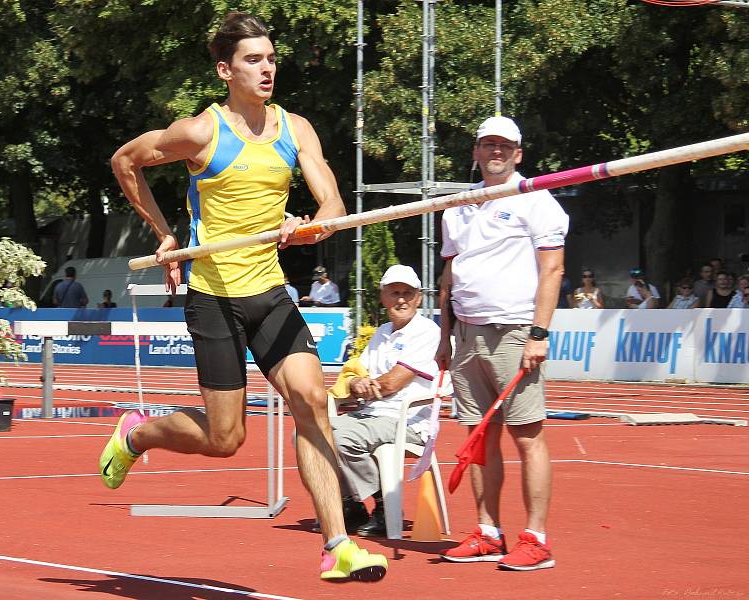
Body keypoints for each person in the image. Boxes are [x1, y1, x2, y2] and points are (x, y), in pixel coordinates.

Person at [102, 12, 386, 583]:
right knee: (225, 438)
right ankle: (136, 433)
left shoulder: (295, 128)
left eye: (271, 58)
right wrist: (164, 233)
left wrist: (313, 227)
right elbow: (124, 162)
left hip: (269, 292)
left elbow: (332, 202)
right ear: (225, 70)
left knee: (312, 401)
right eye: (253, 60)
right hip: (214, 296)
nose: (266, 68)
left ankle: (337, 544)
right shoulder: (200, 133)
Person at [436, 116, 568, 571]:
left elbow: (552, 270)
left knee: (527, 435)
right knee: (478, 438)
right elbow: (450, 276)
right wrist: (443, 334)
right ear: (475, 151)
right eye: (487, 144)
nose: (495, 151)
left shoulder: (537, 200)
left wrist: (538, 333)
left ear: (518, 154)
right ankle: (487, 531)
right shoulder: (456, 207)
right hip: (467, 333)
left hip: (515, 331)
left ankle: (537, 538)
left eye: (504, 146)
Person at [327, 264, 440, 537]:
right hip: (371, 415)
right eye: (394, 293)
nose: (401, 299)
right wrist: (356, 383)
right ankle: (350, 507)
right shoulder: (381, 333)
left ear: (419, 297)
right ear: (383, 298)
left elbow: (392, 383)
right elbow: (356, 373)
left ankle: (382, 506)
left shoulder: (426, 331)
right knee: (305, 436)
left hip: (406, 420)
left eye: (407, 293)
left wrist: (363, 385)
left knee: (340, 438)